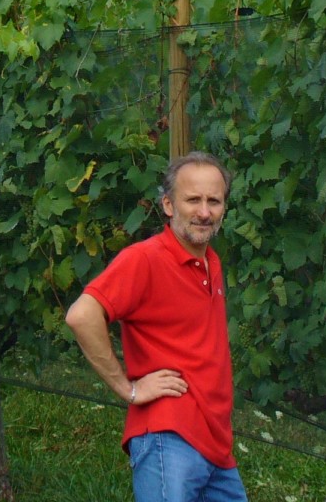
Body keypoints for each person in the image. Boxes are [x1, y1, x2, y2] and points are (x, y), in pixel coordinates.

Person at [66, 151, 248, 502]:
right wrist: (128, 389)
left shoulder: (211, 261)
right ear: (168, 205)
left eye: (214, 201)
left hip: (216, 445)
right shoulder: (145, 258)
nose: (204, 211)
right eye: (193, 199)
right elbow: (81, 315)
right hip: (170, 435)